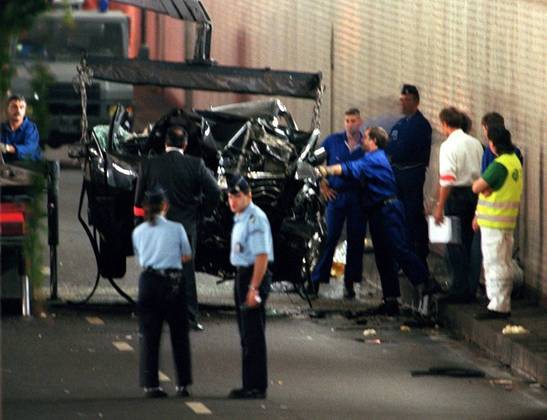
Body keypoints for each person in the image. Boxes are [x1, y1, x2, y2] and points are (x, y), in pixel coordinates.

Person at [316, 127, 429, 316]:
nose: (362, 141)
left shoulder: (374, 159)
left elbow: (349, 168)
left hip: (388, 209)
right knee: (383, 257)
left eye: (366, 138)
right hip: (378, 211)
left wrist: (324, 171)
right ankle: (390, 299)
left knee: (398, 249)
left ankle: (426, 283)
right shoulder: (372, 158)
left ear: (375, 141)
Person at [134, 125, 221, 331]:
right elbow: (215, 191)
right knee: (186, 275)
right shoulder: (196, 165)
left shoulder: (149, 165)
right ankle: (189, 317)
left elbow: (138, 202)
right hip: (185, 228)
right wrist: (201, 212)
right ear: (185, 144)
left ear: (165, 143)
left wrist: (140, 224)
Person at [132, 188, 193, 398]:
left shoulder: (138, 232)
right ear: (165, 206)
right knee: (179, 334)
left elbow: (140, 259)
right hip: (173, 282)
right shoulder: (177, 229)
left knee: (150, 335)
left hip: (148, 282)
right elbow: (186, 256)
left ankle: (151, 385)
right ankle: (182, 384)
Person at [310, 108, 366, 299]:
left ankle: (350, 283)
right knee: (329, 237)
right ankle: (316, 279)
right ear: (344, 123)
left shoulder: (367, 144)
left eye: (354, 121)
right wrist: (323, 185)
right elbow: (312, 160)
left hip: (358, 197)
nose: (350, 124)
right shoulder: (332, 141)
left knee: (356, 240)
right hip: (336, 196)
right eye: (347, 121)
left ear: (360, 122)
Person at [227, 175, 273, 399]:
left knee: (253, 333)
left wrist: (253, 288)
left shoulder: (255, 219)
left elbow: (262, 256)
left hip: (253, 275)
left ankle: (256, 386)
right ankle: (249, 384)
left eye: (238, 196)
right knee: (246, 333)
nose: (233, 200)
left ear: (248, 196)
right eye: (230, 196)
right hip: (243, 275)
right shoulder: (241, 217)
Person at [469, 112, 524, 294]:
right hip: (507, 217)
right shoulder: (516, 157)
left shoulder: (495, 159)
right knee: (503, 260)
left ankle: (495, 302)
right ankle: (501, 300)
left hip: (492, 218)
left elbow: (480, 186)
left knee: (493, 261)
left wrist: (477, 214)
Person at [433, 107, 483, 303]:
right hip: (475, 194)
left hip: (456, 197)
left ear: (445, 124)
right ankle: (471, 288)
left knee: (454, 242)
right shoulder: (476, 143)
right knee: (471, 243)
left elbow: (447, 180)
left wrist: (439, 206)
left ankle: (458, 289)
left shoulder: (448, 146)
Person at [386, 85, 432, 270]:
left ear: (416, 102)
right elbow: (389, 147)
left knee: (413, 217)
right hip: (398, 174)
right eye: (402, 100)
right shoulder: (399, 125)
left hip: (412, 174)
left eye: (408, 100)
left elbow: (406, 150)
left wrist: (397, 154)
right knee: (399, 216)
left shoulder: (421, 125)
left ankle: (419, 256)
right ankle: (403, 257)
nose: (404, 103)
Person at [0, 95, 41, 162]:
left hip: (29, 167)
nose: (18, 110)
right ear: (8, 109)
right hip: (7, 168)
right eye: (14, 107)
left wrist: (6, 148)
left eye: (21, 107)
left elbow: (29, 148)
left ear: (25, 110)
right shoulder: (2, 128)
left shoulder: (31, 128)